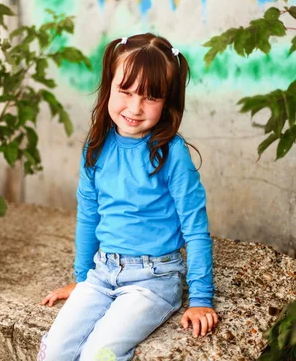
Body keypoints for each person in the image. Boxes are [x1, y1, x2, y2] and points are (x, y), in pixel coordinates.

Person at [37, 33, 218, 361]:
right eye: (126, 91)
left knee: (99, 354)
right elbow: (88, 216)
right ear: (109, 86)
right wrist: (81, 280)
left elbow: (195, 228)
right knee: (55, 351)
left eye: (150, 97)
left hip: (153, 281)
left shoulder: (170, 153)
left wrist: (201, 298)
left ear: (168, 102)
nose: (135, 107)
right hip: (102, 273)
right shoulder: (96, 148)